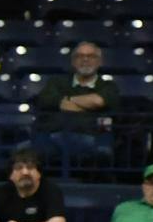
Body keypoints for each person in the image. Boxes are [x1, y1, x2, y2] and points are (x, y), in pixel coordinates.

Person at [33, 41, 117, 170]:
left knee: (102, 152)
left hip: (91, 138)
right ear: (73, 61)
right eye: (80, 56)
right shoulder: (56, 82)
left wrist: (67, 100)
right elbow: (46, 99)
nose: (85, 59)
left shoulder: (108, 86)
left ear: (100, 62)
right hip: (53, 137)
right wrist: (85, 107)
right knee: (26, 150)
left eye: (91, 56)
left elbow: (98, 101)